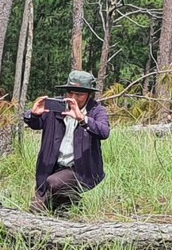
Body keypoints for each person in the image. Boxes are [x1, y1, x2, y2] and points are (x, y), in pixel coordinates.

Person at [25, 70, 110, 213]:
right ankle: (70, 206)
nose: (73, 98)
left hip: (80, 170)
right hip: (50, 168)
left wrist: (82, 119)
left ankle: (71, 203)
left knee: (54, 183)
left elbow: (104, 132)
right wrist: (33, 114)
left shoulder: (96, 110)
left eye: (79, 94)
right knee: (38, 210)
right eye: (70, 93)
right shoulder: (55, 107)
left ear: (89, 95)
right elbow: (35, 124)